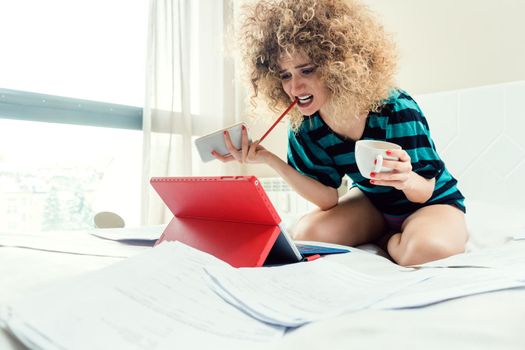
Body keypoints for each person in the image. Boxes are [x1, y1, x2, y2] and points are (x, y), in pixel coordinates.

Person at [212, 0, 467, 266]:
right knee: (306, 235)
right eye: (285, 75)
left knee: (426, 251)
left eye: (306, 70)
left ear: (336, 64)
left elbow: (425, 189)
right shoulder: (306, 123)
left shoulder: (394, 108)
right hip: (373, 203)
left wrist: (404, 179)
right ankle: (387, 232)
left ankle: (389, 240)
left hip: (429, 203)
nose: (295, 86)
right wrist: (269, 160)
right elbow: (327, 198)